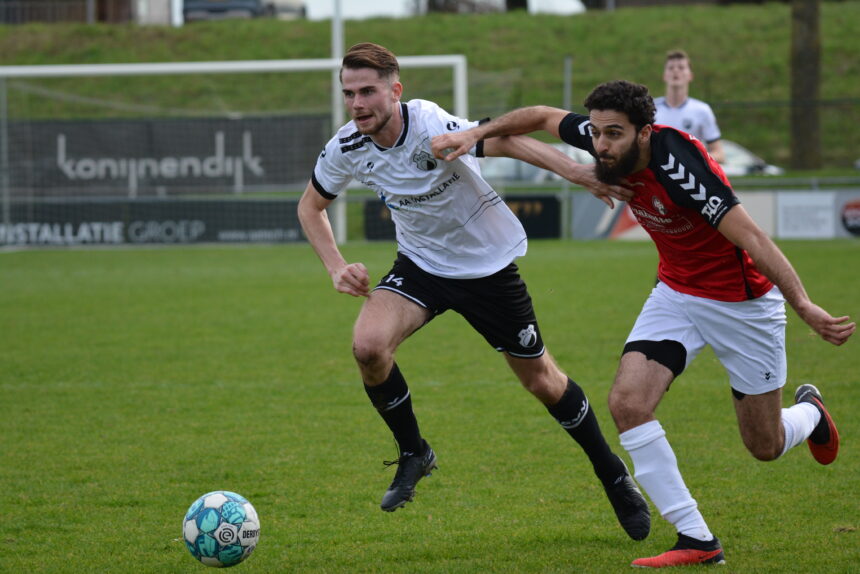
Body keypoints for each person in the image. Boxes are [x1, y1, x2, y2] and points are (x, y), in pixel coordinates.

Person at [431, 79, 855, 568]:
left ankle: (811, 415)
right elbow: (544, 116)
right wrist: (474, 133)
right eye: (596, 133)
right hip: (676, 293)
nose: (601, 145)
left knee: (765, 445)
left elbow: (754, 238)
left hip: (743, 304)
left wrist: (803, 305)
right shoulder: (604, 139)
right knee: (627, 403)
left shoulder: (681, 168)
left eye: (614, 134)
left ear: (645, 133)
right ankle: (697, 538)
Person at [296, 43, 650, 540]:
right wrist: (335, 266)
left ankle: (612, 474)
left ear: (395, 91)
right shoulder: (346, 146)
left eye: (368, 91)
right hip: (420, 265)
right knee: (368, 346)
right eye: (349, 93)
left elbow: (504, 141)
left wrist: (573, 170)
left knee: (543, 382)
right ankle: (414, 452)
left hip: (486, 269)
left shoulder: (429, 126)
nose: (357, 104)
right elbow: (310, 207)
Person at [654, 50, 725, 164]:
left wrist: (692, 159)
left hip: (688, 174)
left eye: (681, 67)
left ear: (690, 76)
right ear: (664, 76)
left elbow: (719, 154)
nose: (675, 70)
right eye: (671, 68)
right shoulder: (651, 108)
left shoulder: (702, 110)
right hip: (657, 173)